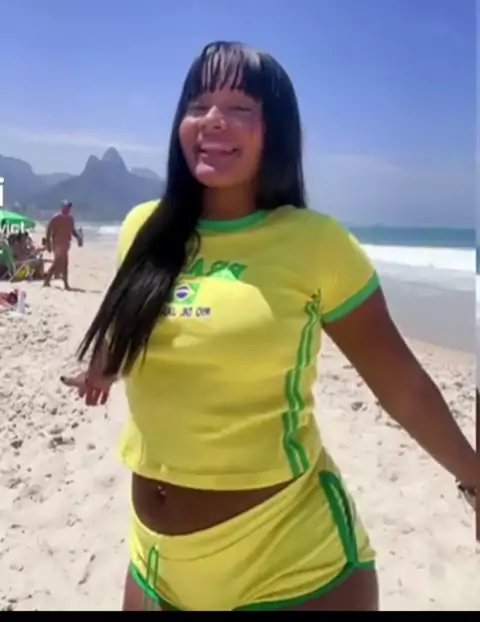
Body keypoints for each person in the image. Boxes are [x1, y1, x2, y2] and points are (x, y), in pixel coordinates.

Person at [63, 42, 477, 612]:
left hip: (290, 563)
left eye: (240, 108)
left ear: (274, 131)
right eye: (198, 104)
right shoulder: (144, 228)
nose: (213, 120)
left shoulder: (316, 243)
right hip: (156, 560)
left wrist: (474, 476)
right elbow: (137, 317)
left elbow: (398, 381)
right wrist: (105, 364)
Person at [43, 200, 81, 290]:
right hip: (57, 244)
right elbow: (49, 230)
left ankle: (50, 281)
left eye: (69, 207)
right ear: (62, 207)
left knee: (62, 264)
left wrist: (78, 237)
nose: (68, 209)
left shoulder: (70, 219)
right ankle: (62, 283)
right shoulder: (56, 218)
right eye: (66, 207)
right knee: (59, 263)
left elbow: (72, 230)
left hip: (66, 244)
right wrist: (48, 243)